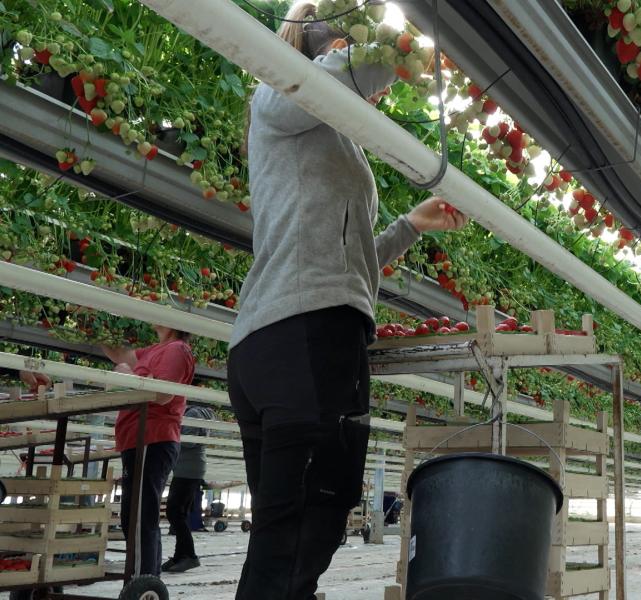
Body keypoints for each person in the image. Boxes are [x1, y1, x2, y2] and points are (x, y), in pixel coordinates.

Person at [226, 4, 468, 599]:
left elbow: (345, 258)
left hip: (282, 340)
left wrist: (409, 225)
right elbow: (351, 67)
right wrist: (384, 45)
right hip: (305, 338)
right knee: (310, 524)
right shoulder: (280, 94)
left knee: (287, 537)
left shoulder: (323, 138)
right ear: (331, 49)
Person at [103, 326, 195, 577]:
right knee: (135, 516)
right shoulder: (154, 350)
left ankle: (142, 580)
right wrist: (95, 325)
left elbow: (164, 394)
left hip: (152, 437)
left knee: (139, 517)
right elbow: (122, 355)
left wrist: (127, 377)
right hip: (136, 439)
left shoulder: (177, 349)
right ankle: (145, 578)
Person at [162, 403, 215, 574]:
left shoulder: (193, 413)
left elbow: (190, 442)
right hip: (189, 468)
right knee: (179, 513)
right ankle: (180, 555)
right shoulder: (197, 413)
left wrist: (170, 433)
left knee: (174, 512)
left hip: (188, 469)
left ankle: (190, 556)